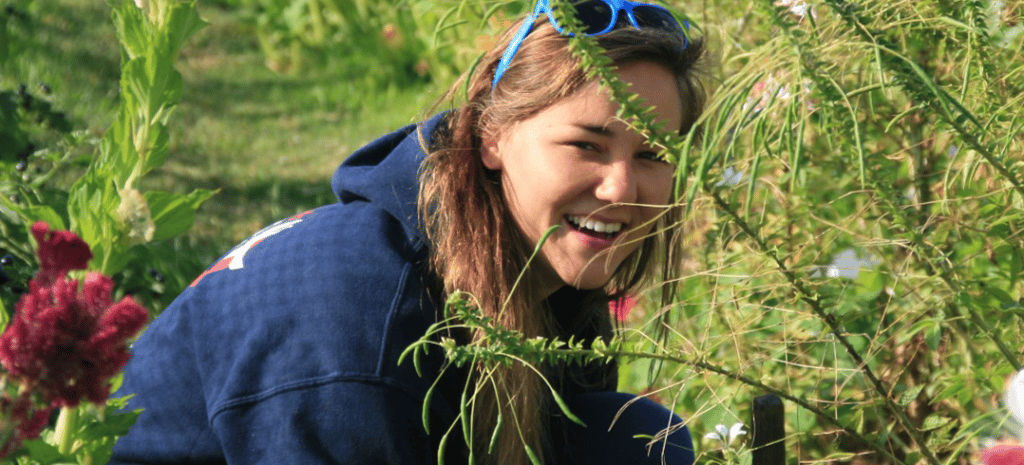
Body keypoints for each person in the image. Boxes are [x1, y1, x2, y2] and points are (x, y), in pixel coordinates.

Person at [110, 0, 707, 463]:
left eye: (653, 154)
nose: (621, 188)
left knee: (636, 441)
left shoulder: (546, 277)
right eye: (586, 146)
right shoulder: (365, 323)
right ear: (491, 136)